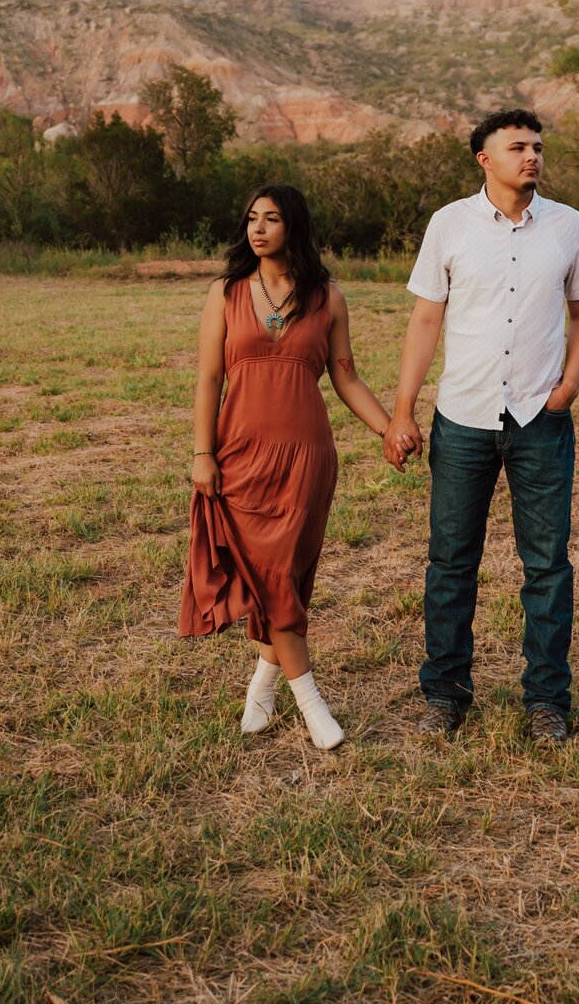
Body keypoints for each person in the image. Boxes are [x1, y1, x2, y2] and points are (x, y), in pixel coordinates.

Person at [383, 110, 579, 744]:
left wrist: (567, 388)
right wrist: (403, 409)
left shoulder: (567, 224)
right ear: (485, 159)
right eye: (517, 147)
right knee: (451, 562)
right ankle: (445, 695)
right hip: (463, 418)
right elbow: (426, 321)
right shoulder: (449, 224)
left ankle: (547, 702)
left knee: (547, 566)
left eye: (537, 147)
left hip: (540, 420)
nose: (532, 156)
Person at [179, 184, 407, 749]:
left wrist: (388, 429)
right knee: (269, 577)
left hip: (306, 458)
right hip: (238, 456)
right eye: (251, 218)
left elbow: (346, 377)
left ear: (294, 226)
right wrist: (203, 453)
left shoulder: (328, 298)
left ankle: (264, 684)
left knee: (284, 575)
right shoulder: (225, 292)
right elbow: (209, 378)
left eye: (272, 219)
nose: (258, 228)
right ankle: (308, 700)